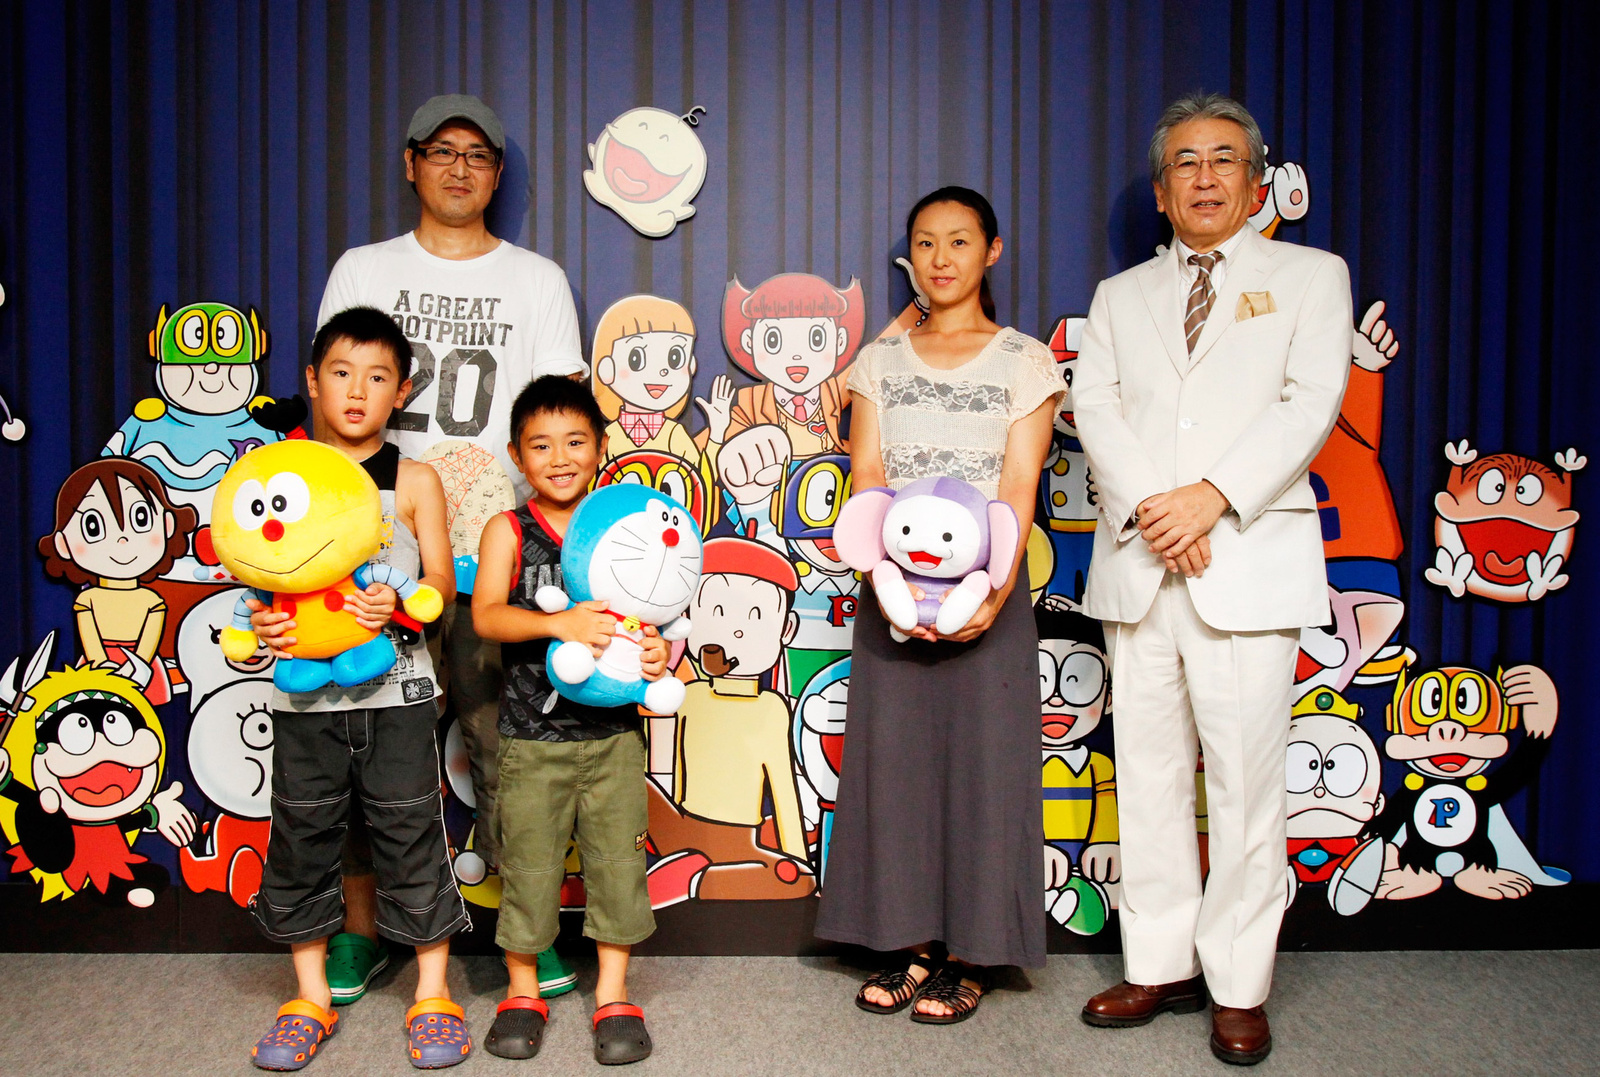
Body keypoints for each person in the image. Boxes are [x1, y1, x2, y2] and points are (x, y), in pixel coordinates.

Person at [1073, 92, 1351, 1065]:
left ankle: (1238, 982)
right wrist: (1163, 508)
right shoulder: (1119, 300)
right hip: (1142, 569)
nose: (1203, 177)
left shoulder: (1312, 278)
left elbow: (1309, 404)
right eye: (1185, 163)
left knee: (1246, 789)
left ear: (1255, 179)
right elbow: (1096, 411)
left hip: (1249, 562)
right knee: (1146, 779)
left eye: (1223, 160)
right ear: (1159, 191)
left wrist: (1211, 499)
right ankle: (1155, 963)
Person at [316, 93, 585, 1001]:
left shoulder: (537, 279)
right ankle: (361, 930)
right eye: (441, 150)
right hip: (370, 563)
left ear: (497, 175)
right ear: (411, 162)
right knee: (360, 745)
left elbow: (559, 417)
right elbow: (326, 415)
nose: (459, 167)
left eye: (478, 154)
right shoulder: (364, 266)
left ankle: (523, 930)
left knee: (505, 748)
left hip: (491, 559)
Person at [814, 186, 1063, 1022]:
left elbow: (1022, 483)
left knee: (986, 771)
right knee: (897, 768)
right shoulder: (880, 362)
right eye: (925, 244)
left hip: (987, 591)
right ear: (910, 259)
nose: (942, 258)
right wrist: (888, 580)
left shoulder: (1025, 361)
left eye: (960, 242)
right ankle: (911, 943)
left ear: (991, 252)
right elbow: (868, 474)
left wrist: (993, 591)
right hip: (892, 587)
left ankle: (973, 952)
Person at [243, 307, 472, 1070]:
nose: (356, 391)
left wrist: (400, 599)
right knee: (304, 836)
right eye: (341, 372)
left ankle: (432, 992)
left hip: (398, 696)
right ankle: (308, 995)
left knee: (411, 833)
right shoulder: (278, 476)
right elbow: (257, 578)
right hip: (304, 701)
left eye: (377, 378)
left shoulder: (415, 479)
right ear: (312, 379)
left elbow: (440, 580)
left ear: (400, 390)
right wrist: (264, 622)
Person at [471, 376, 666, 1064]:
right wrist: (559, 622)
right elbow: (487, 614)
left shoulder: (622, 527)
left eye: (575, 441)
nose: (559, 457)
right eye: (541, 445)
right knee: (528, 865)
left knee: (617, 866)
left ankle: (614, 993)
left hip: (613, 739)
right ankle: (521, 990)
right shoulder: (509, 529)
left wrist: (654, 648)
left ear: (602, 448)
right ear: (518, 457)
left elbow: (653, 614)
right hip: (531, 738)